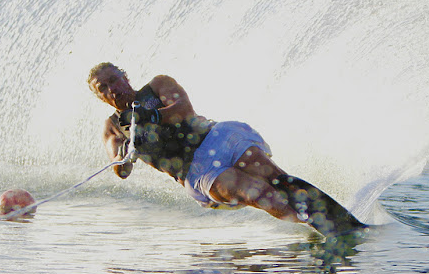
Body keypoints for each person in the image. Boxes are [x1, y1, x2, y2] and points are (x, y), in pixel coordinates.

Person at [86, 62, 366, 235]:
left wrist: (153, 117)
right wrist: (127, 155)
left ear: (125, 75)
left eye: (114, 79)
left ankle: (341, 222)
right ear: (100, 97)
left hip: (216, 138)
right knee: (260, 193)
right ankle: (316, 224)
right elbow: (119, 169)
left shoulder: (158, 84)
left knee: (274, 176)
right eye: (104, 88)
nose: (113, 88)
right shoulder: (113, 128)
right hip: (197, 171)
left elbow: (183, 110)